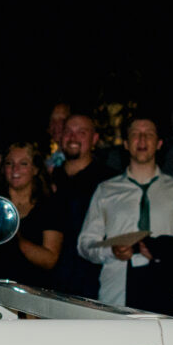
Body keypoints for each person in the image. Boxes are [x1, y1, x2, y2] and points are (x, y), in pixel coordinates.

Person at [75, 116, 173, 312]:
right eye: (135, 134)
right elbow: (84, 244)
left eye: (148, 134)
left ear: (159, 144)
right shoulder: (106, 190)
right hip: (117, 292)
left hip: (165, 290)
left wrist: (165, 251)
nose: (141, 139)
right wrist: (111, 251)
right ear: (126, 144)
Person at [0, 144, 67, 285]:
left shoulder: (49, 206)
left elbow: (49, 260)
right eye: (10, 163)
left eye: (23, 163)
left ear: (35, 169)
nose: (15, 169)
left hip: (29, 294)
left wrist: (14, 234)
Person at [45, 112, 108, 298]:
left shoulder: (109, 182)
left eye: (82, 132)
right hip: (47, 283)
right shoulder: (44, 179)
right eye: (68, 131)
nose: (73, 137)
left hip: (91, 284)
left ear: (94, 139)